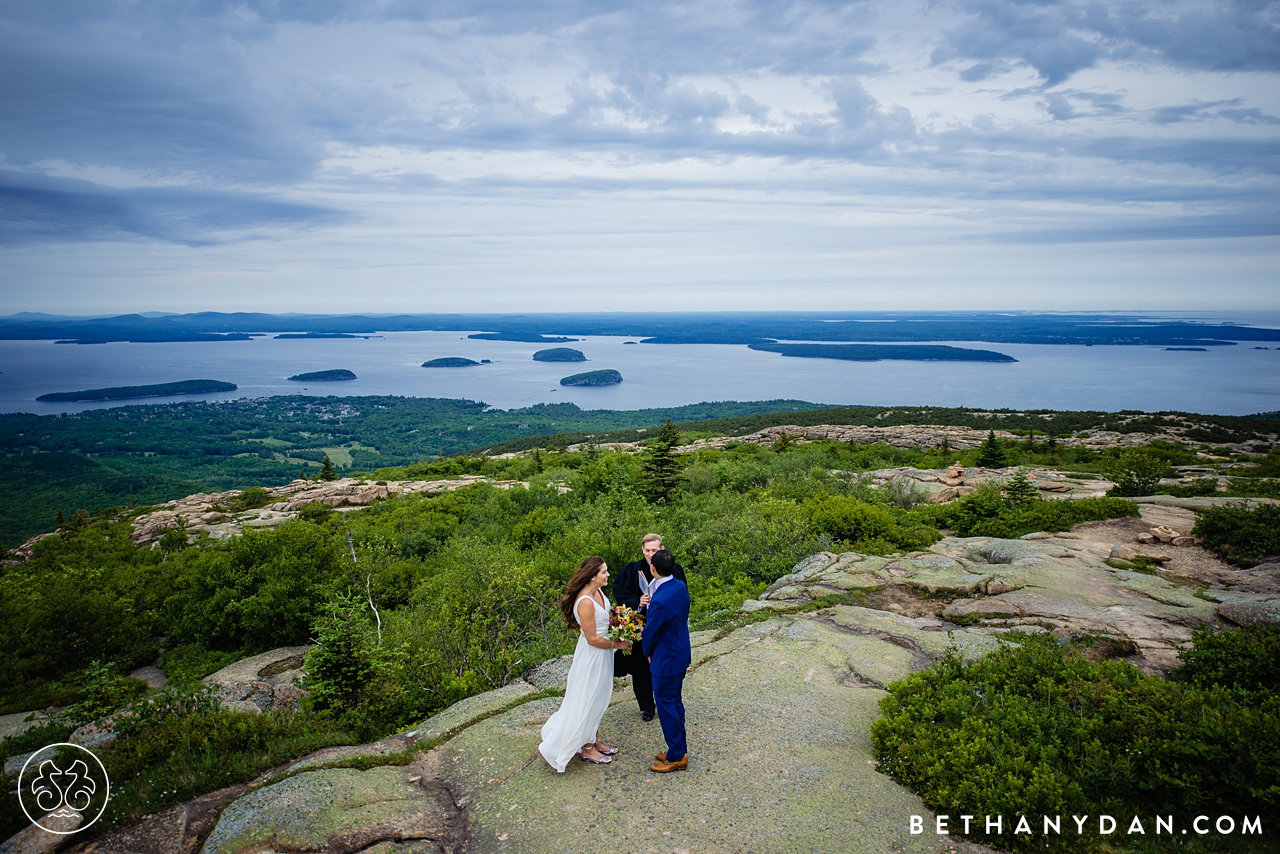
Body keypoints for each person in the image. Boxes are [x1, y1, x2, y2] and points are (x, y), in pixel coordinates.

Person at [538, 556, 632, 771]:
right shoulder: (585, 602)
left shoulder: (598, 592)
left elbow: (607, 618)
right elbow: (592, 639)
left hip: (603, 654)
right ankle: (586, 747)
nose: (608, 575)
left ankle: (594, 738)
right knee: (589, 698)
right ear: (592, 576)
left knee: (600, 697)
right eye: (604, 572)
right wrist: (619, 644)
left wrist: (623, 623)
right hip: (592, 656)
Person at [613, 533, 686, 721]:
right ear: (642, 550)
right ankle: (647, 707)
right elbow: (620, 591)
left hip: (663, 629)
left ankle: (666, 702)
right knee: (640, 669)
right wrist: (638, 601)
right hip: (640, 625)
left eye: (654, 550)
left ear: (662, 549)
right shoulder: (632, 570)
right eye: (647, 550)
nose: (650, 554)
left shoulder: (673, 569)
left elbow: (681, 596)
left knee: (662, 668)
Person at [641, 549, 692, 773]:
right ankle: (678, 748)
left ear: (653, 569)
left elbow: (650, 632)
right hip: (680, 652)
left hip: (666, 658)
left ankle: (677, 757)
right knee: (675, 701)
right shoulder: (679, 586)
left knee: (666, 705)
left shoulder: (660, 599)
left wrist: (646, 651)